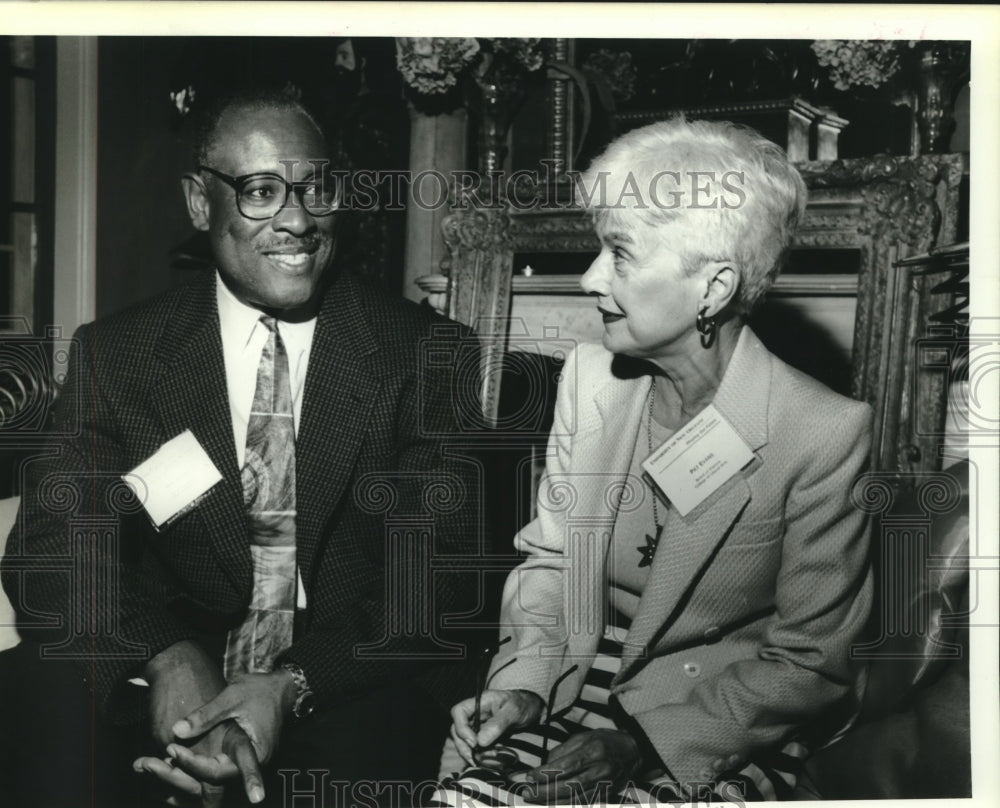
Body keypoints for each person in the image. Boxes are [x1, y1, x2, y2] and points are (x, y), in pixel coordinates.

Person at [0, 86, 482, 808]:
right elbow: (51, 543)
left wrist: (291, 684)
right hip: (172, 651)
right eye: (260, 191)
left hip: (346, 674)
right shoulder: (119, 354)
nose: (296, 218)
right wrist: (165, 658)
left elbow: (437, 578)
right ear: (201, 204)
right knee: (37, 704)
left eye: (316, 188)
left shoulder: (426, 353)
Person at [439, 118, 874, 805]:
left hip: (716, 723)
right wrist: (522, 685)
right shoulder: (591, 380)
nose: (589, 279)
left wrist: (641, 746)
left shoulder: (823, 432)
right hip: (573, 683)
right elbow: (550, 564)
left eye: (620, 253)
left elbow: (811, 661)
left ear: (714, 287)